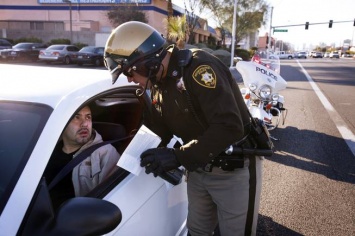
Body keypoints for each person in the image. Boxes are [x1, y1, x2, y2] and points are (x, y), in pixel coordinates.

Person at [104, 21, 263, 236]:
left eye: (129, 73)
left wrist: (177, 157)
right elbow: (157, 130)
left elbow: (229, 127)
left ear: (146, 64)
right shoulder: (159, 83)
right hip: (198, 169)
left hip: (232, 172)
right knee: (196, 231)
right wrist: (127, 159)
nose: (131, 80)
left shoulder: (199, 69)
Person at [43, 105, 120, 209]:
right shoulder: (46, 151)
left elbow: (112, 201)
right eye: (76, 117)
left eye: (88, 117)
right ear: (62, 123)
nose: (84, 124)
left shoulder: (105, 153)